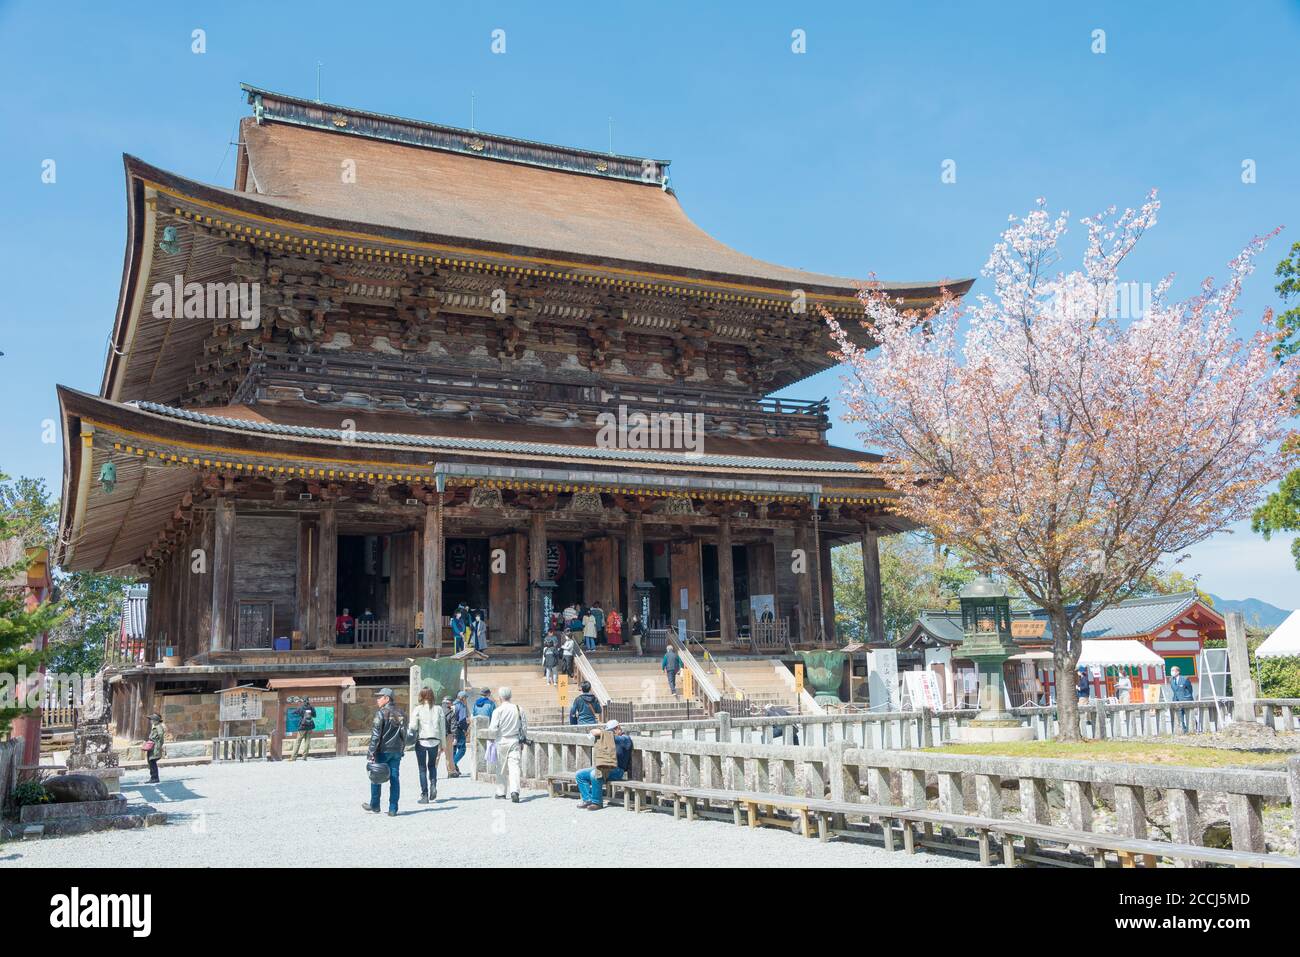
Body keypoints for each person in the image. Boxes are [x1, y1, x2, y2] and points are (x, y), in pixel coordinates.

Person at [362, 687, 407, 817]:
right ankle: (393, 808)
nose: (377, 699)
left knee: (376, 777)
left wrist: (371, 752)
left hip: (382, 751)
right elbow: (404, 734)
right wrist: (401, 749)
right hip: (396, 751)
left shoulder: (381, 714)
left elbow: (376, 736)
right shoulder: (401, 713)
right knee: (394, 779)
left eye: (380, 697)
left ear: (387, 698)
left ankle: (375, 805)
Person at [575, 719, 632, 810]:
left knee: (595, 774)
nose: (610, 734)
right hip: (606, 767)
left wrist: (601, 732)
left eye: (611, 731)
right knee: (580, 774)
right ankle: (587, 799)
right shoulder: (611, 738)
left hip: (617, 771)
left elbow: (612, 738)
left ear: (618, 729)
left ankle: (597, 802)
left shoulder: (625, 739)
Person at [487, 686, 528, 803]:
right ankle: (515, 791)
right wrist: (523, 739)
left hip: (501, 740)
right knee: (514, 767)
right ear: (510, 696)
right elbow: (524, 726)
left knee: (501, 767)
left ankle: (501, 792)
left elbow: (493, 729)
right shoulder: (519, 708)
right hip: (515, 740)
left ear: (500, 697)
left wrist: (491, 739)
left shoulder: (498, 711)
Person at [408, 688, 445, 803]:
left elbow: (413, 726)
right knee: (432, 766)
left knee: (422, 768)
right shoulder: (438, 709)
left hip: (422, 740)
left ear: (421, 696)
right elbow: (442, 728)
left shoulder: (418, 709)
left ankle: (424, 795)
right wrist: (443, 744)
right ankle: (433, 785)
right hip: (435, 740)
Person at [288, 696, 316, 761]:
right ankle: (304, 757)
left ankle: (293, 757)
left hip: (302, 727)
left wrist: (299, 715)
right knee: (307, 742)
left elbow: (293, 713)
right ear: (308, 700)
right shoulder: (311, 708)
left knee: (298, 741)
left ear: (303, 701)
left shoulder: (301, 708)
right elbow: (314, 715)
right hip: (309, 726)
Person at [450, 690, 470, 774]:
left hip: (451, 730)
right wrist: (465, 729)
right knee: (462, 749)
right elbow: (462, 720)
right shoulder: (461, 706)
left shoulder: (452, 705)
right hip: (459, 729)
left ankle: (454, 769)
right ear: (462, 698)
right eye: (466, 698)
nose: (466, 700)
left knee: (453, 749)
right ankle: (453, 764)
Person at [1169, 666, 1194, 731]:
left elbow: (1190, 689)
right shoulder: (1171, 679)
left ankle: (1195, 725)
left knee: (1189, 714)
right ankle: (1183, 729)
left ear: (1178, 672)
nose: (1172, 672)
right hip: (1176, 699)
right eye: (1171, 670)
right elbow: (1175, 690)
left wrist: (1187, 696)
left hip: (1185, 699)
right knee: (1180, 715)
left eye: (1173, 670)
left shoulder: (1185, 679)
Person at [144, 712, 166, 783]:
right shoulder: (155, 727)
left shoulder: (158, 727)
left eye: (152, 719)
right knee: (151, 761)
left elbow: (161, 737)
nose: (151, 721)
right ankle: (153, 777)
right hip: (152, 746)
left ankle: (154, 777)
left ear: (155, 720)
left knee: (152, 761)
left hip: (155, 747)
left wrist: (159, 746)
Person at [441, 697, 459, 777]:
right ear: (449, 703)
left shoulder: (437, 710)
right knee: (449, 755)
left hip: (438, 736)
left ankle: (432, 770)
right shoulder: (451, 713)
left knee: (436, 755)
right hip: (448, 735)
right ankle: (451, 772)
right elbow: (453, 726)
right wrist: (455, 737)